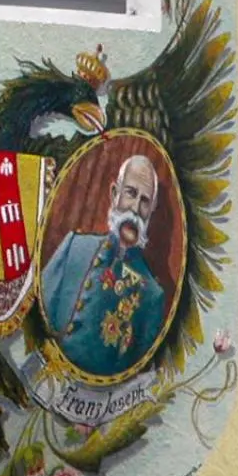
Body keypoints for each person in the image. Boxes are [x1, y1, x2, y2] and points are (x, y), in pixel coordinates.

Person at [40, 153, 168, 378]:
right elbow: (36, 317)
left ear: (152, 211)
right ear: (114, 194)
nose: (136, 208)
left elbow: (135, 372)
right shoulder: (74, 246)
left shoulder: (152, 295)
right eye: (130, 193)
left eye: (145, 201)